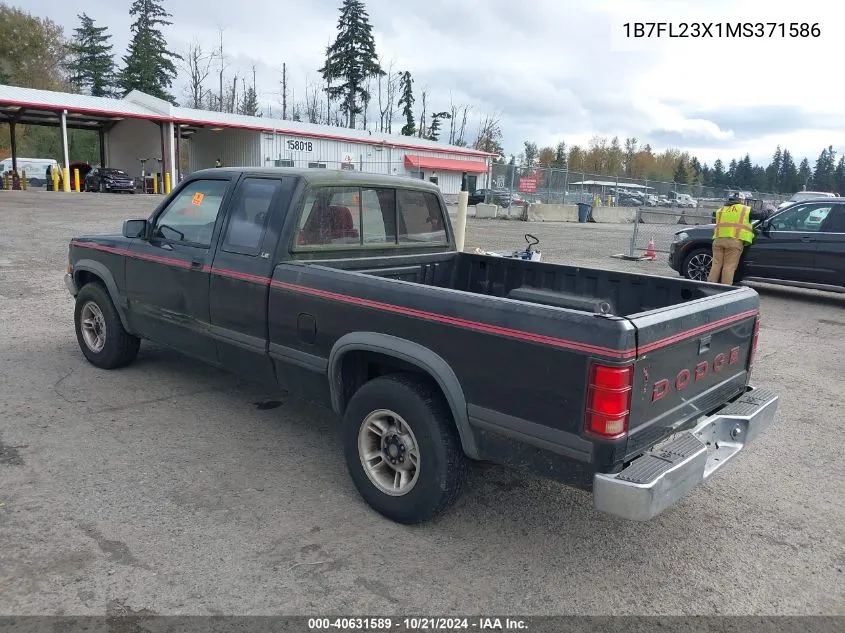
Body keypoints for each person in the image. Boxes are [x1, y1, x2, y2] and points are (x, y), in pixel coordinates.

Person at [707, 192, 754, 285]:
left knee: (716, 265)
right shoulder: (745, 209)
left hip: (718, 240)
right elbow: (762, 214)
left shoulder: (720, 210)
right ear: (741, 200)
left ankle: (709, 286)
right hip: (734, 241)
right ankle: (725, 288)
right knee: (729, 267)